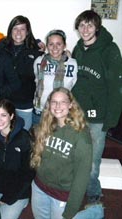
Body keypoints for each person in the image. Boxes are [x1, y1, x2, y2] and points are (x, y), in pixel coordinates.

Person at [71, 10, 122, 205]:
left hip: (98, 118)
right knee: (76, 156)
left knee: (92, 162)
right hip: (77, 116)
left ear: (97, 28)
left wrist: (111, 120)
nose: (85, 29)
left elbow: (116, 87)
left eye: (89, 25)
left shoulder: (110, 50)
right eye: (82, 25)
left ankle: (93, 194)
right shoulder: (78, 49)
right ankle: (75, 188)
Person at [30, 87, 93, 219]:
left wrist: (71, 210)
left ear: (71, 105)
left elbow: (81, 178)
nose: (58, 106)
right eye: (54, 102)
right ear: (49, 104)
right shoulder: (45, 126)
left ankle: (94, 212)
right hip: (39, 189)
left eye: (63, 102)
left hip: (61, 196)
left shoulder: (81, 136)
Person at [0, 98, 35, 219]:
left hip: (17, 193)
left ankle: (22, 204)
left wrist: (9, 198)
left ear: (11, 116)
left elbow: (28, 175)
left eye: (3, 115)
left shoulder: (24, 139)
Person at [0, 15, 44, 131]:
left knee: (22, 137)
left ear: (27, 32)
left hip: (25, 105)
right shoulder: (1, 49)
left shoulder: (36, 52)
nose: (18, 32)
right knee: (4, 136)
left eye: (22, 29)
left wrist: (66, 54)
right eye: (15, 28)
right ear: (10, 30)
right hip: (5, 103)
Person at [33, 29, 77, 125]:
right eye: (51, 44)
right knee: (38, 139)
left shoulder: (73, 63)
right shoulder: (39, 61)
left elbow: (73, 87)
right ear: (47, 46)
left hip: (61, 114)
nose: (55, 47)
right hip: (40, 112)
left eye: (59, 44)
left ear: (64, 45)